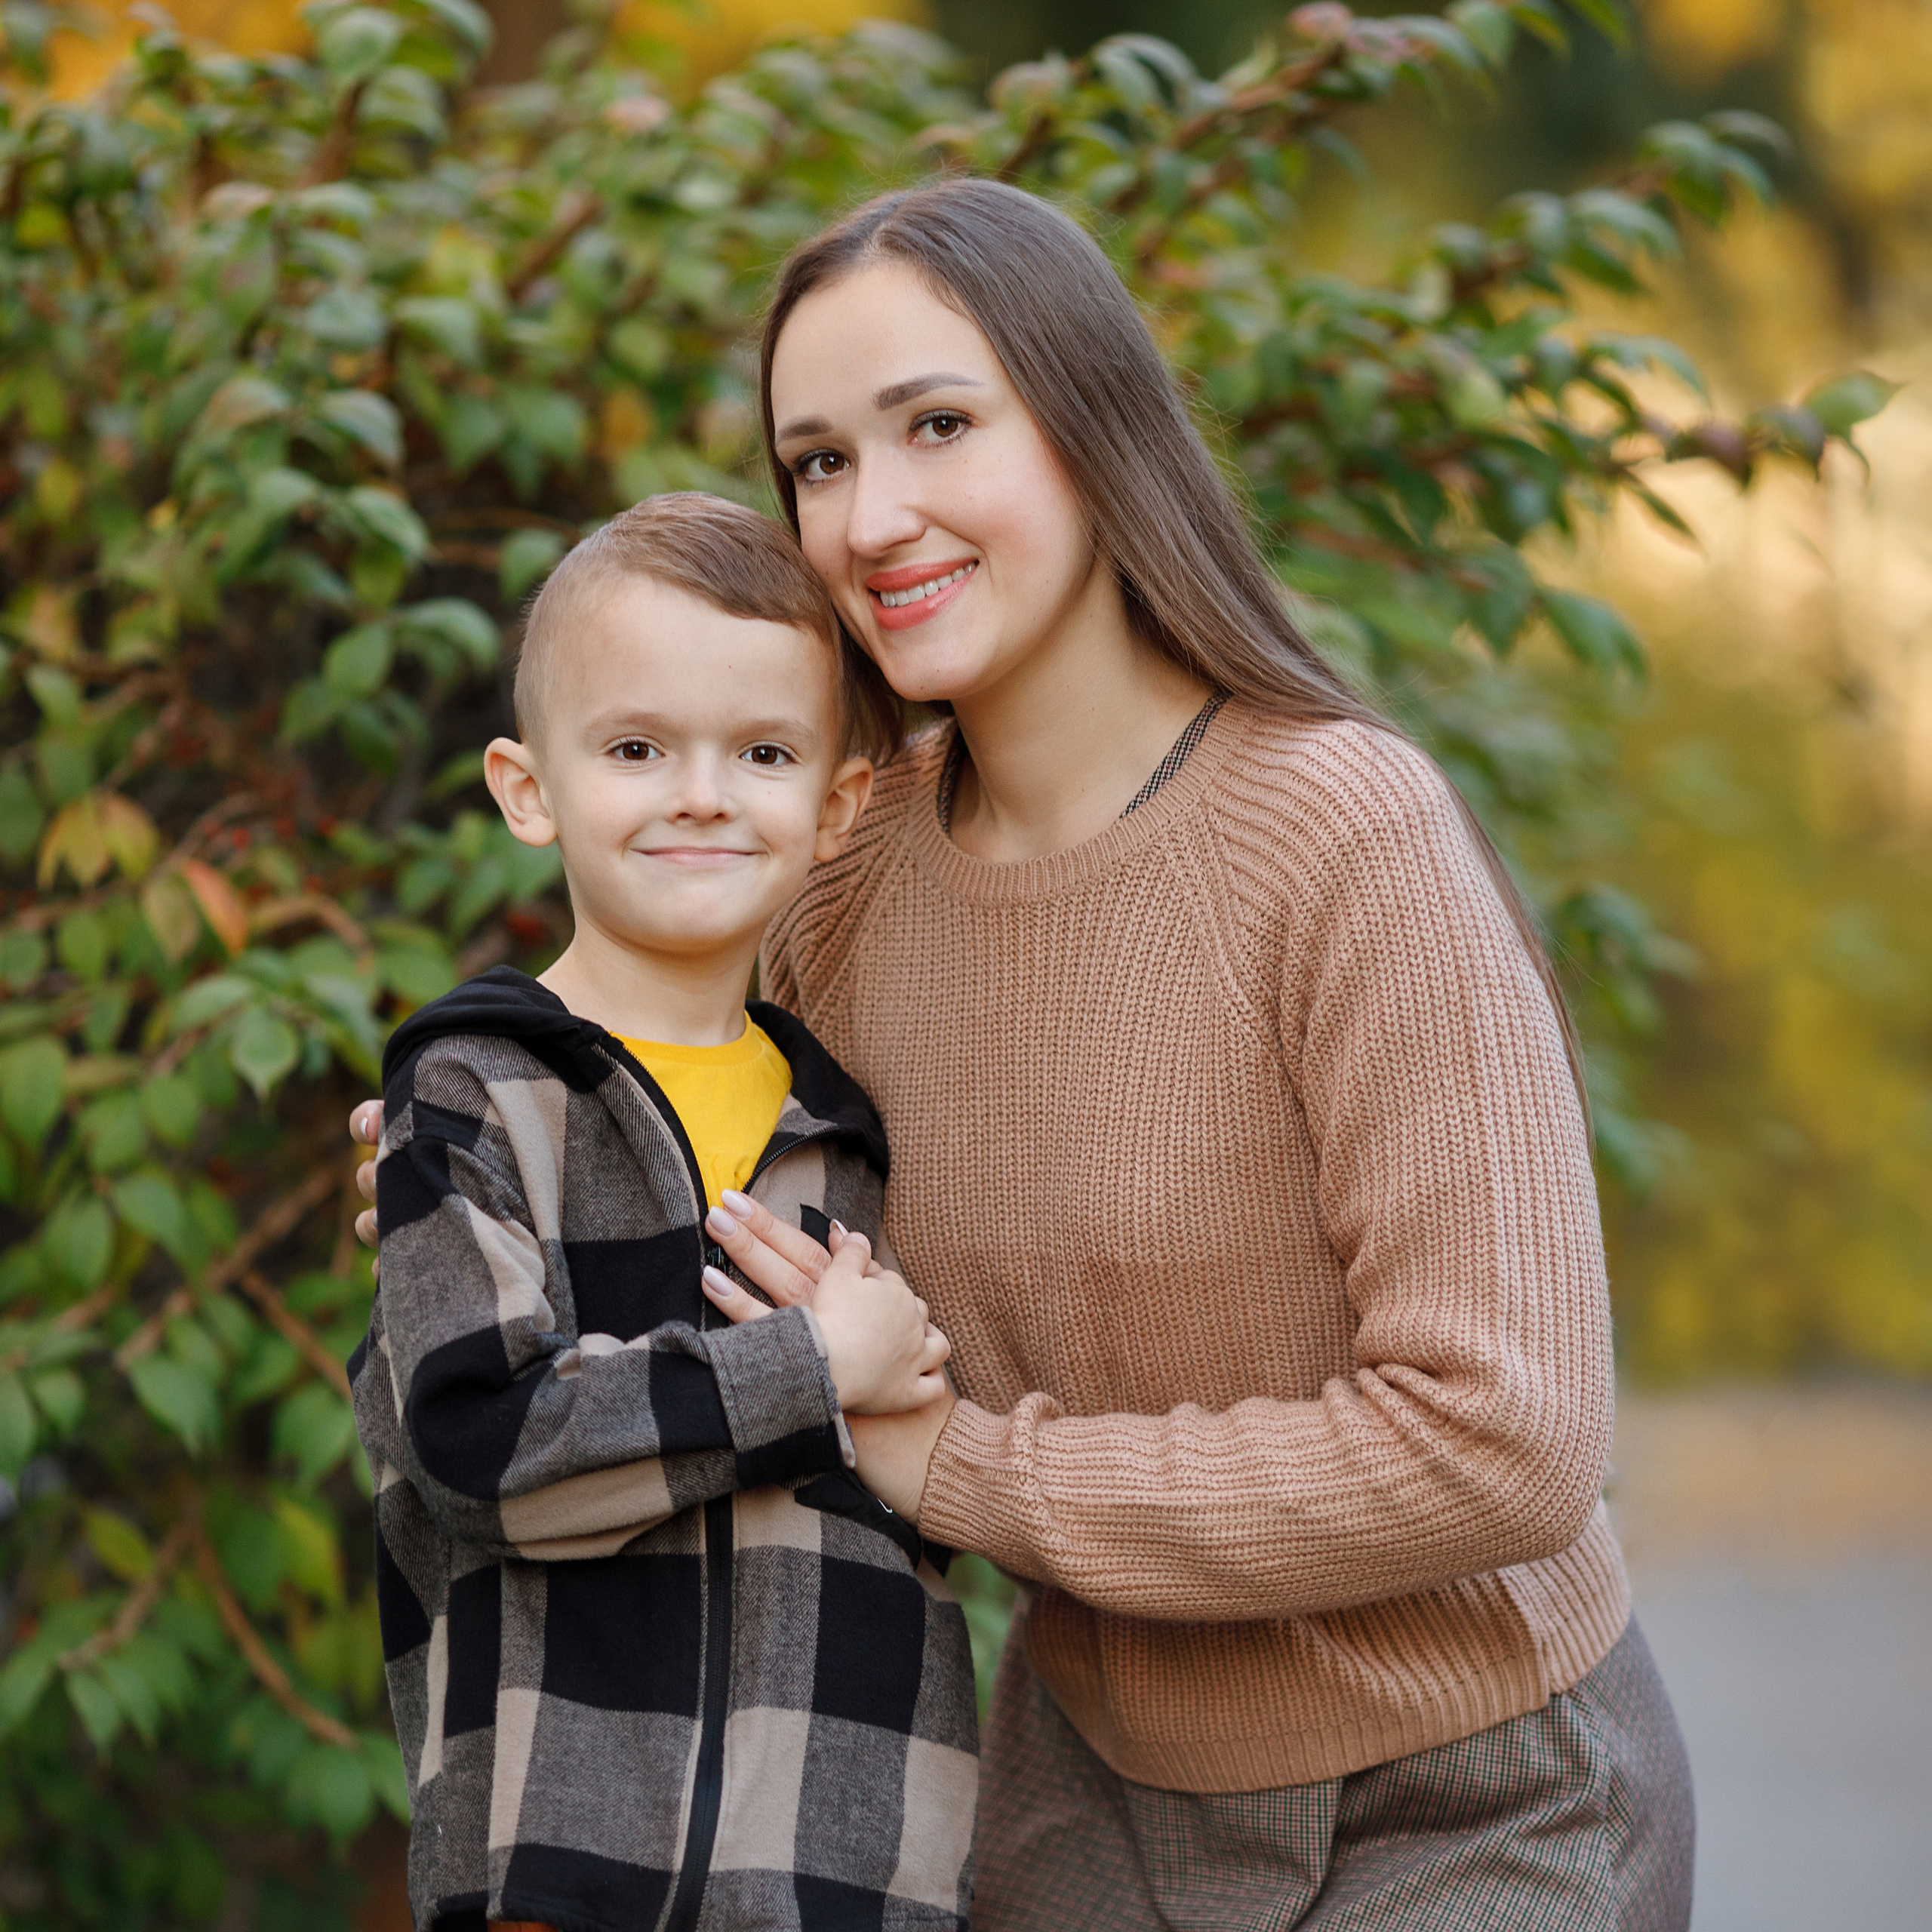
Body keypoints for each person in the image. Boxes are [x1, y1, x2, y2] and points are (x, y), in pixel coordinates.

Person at [358, 180, 1696, 1929]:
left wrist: (966, 1469)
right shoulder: (831, 868)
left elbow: (1503, 1434)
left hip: (1473, 1789)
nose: (871, 515)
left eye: (934, 425)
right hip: (1081, 1789)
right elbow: (660, 1176)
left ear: (1089, 425)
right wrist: (468, 1181)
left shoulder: (1336, 830)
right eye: (818, 461)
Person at [349, 493, 977, 1932]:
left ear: (835, 809)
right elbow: (484, 1446)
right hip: (560, 1868)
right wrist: (811, 1374)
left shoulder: (854, 1135)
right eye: (637, 750)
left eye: (761, 753)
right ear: (528, 789)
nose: (702, 794)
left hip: (845, 1867)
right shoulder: (479, 1097)